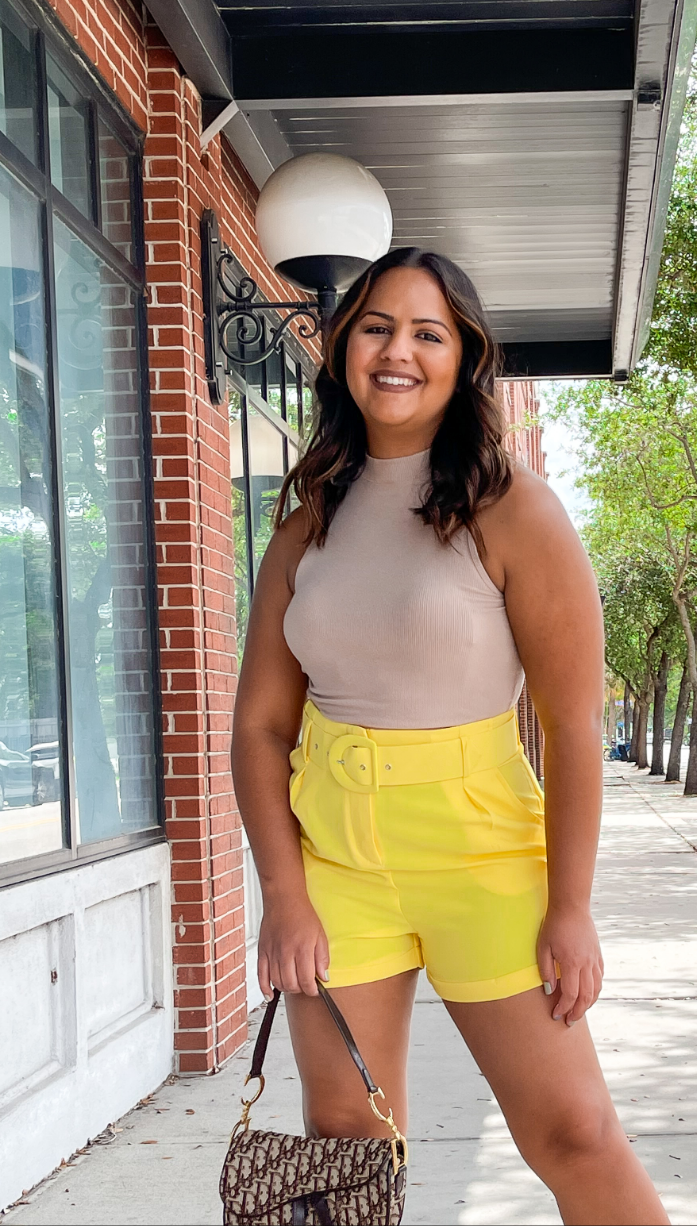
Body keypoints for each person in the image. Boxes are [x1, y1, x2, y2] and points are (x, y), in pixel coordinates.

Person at [231, 247, 670, 1226]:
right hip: (335, 854)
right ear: (344, 345)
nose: (398, 351)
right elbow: (260, 724)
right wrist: (283, 895)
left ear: (462, 357)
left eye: (427, 333)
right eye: (377, 327)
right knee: (346, 1141)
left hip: (483, 849)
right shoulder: (307, 520)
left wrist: (570, 907)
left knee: (573, 1132)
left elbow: (568, 723)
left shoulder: (512, 508)